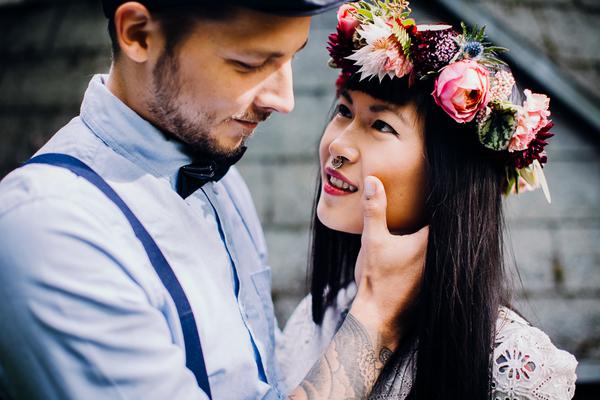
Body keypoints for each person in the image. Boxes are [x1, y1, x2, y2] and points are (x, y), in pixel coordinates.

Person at [0, 1, 429, 399]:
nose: (285, 99)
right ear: (137, 34)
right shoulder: (47, 232)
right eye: (249, 64)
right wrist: (376, 316)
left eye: (291, 56)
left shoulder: (224, 183)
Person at [278, 2, 578, 399]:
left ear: (447, 173)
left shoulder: (514, 366)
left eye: (380, 124)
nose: (338, 144)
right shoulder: (315, 319)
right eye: (344, 111)